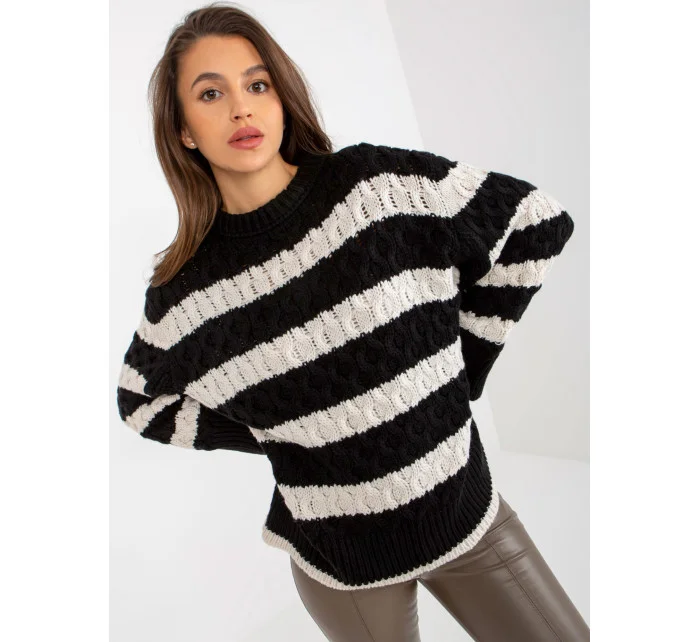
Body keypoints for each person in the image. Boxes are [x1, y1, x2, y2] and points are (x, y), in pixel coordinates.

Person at [116, 2, 589, 640]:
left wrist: (461, 369)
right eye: (211, 94)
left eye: (258, 85)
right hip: (340, 563)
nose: (242, 110)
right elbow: (140, 402)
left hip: (464, 512)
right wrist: (282, 435)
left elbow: (535, 224)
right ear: (184, 133)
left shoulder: (374, 187)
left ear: (282, 98)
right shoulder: (185, 293)